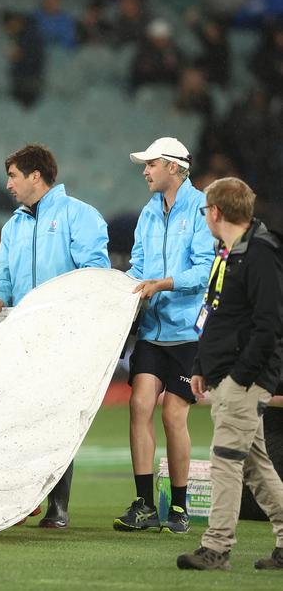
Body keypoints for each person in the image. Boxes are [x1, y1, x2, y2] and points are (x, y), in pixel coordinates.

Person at [0, 143, 110, 529]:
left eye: (13, 175)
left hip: (67, 333)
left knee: (58, 417)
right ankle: (25, 498)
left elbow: (96, 271)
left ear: (35, 176)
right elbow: (3, 277)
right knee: (21, 416)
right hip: (24, 333)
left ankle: (58, 505)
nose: (7, 184)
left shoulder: (80, 216)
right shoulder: (12, 227)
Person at [177, 177, 283, 570]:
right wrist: (202, 365)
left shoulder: (259, 254)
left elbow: (269, 325)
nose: (205, 216)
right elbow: (218, 314)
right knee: (256, 466)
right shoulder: (230, 252)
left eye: (206, 209)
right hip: (225, 373)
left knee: (224, 460)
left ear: (216, 212)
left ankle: (216, 547)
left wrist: (240, 377)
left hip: (244, 379)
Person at [113, 137, 214, 534]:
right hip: (153, 331)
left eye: (151, 164)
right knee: (139, 405)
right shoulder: (148, 213)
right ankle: (144, 504)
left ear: (173, 167)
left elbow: (204, 271)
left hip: (189, 333)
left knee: (174, 415)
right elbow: (138, 267)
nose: (145, 170)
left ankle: (180, 507)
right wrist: (120, 288)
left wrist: (163, 284)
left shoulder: (203, 207)